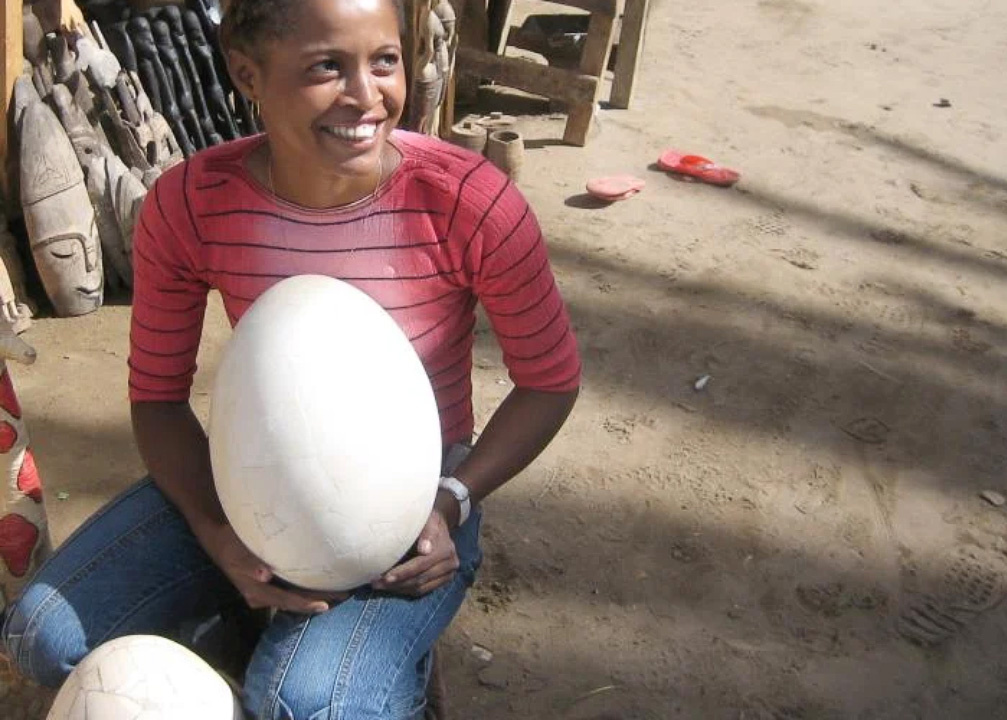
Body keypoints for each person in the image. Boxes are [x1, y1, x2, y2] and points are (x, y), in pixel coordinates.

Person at [0, 0, 581, 717]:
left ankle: (378, 675)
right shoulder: (191, 204)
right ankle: (240, 630)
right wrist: (219, 536)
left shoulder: (467, 201)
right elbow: (157, 398)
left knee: (305, 702)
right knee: (39, 635)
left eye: (384, 60)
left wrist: (452, 499)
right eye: (326, 67)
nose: (366, 96)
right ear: (248, 75)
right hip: (249, 476)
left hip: (414, 506)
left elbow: (550, 381)